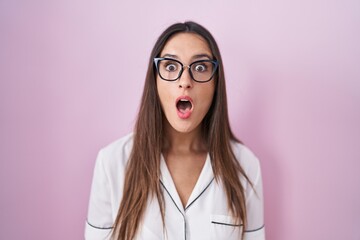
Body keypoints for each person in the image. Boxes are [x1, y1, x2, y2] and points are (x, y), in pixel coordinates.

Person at [85, 21, 265, 240]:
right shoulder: (111, 163)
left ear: (216, 83)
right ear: (155, 80)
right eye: (170, 67)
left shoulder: (245, 165)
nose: (185, 81)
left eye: (200, 67)